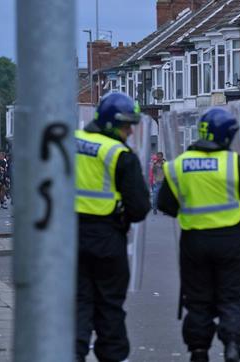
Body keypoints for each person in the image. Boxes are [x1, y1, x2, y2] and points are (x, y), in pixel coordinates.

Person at [157, 108, 240, 362]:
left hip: (193, 242)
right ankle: (232, 344)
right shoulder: (236, 164)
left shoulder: (178, 166)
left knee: (197, 299)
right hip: (230, 241)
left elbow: (164, 203)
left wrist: (188, 211)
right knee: (233, 296)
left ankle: (198, 350)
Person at [75, 92, 150, 362]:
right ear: (110, 122)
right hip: (107, 239)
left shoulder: (70, 142)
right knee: (109, 310)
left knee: (77, 307)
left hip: (68, 238)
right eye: (126, 125)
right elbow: (140, 207)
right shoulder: (119, 154)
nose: (130, 131)